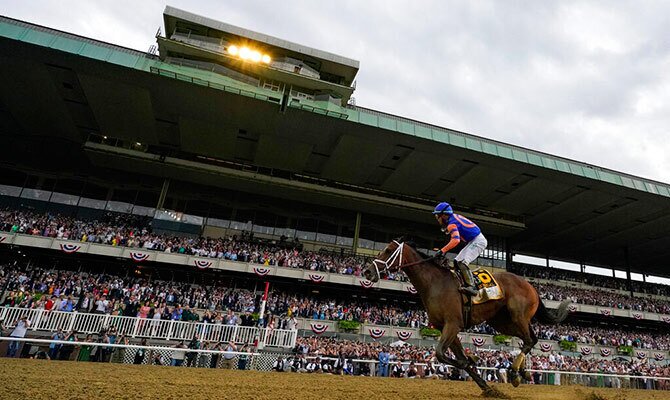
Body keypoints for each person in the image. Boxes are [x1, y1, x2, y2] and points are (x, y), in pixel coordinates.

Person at [432, 202, 487, 296]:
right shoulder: (453, 217)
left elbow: (455, 241)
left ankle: (472, 287)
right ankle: (464, 283)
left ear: (444, 215)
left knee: (462, 262)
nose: (437, 218)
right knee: (456, 261)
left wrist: (442, 251)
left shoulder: (451, 224)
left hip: (478, 241)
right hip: (473, 240)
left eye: (438, 216)